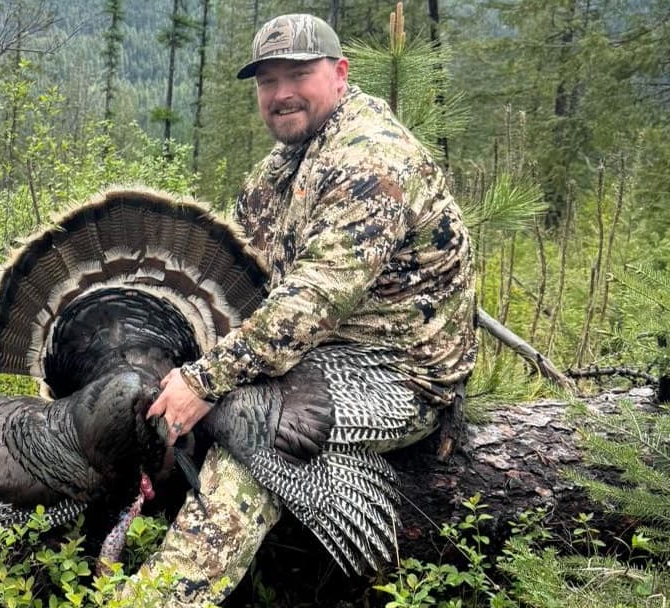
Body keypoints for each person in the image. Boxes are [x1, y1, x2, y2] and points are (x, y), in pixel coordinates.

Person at [135, 13, 478, 605]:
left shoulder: (371, 160)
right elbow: (235, 276)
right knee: (206, 404)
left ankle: (162, 596)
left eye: (298, 74)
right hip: (317, 353)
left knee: (256, 432)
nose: (281, 93)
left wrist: (203, 379)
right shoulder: (282, 167)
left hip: (402, 370)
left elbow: (307, 305)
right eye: (267, 80)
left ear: (340, 73)